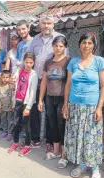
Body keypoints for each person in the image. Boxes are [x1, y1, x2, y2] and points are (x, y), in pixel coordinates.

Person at [62, 32, 104, 178]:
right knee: (78, 137)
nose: (86, 46)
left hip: (91, 107)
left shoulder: (99, 61)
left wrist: (99, 108)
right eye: (84, 42)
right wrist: (65, 105)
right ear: (79, 44)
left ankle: (94, 168)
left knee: (92, 138)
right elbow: (68, 84)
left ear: (94, 45)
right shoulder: (73, 62)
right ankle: (82, 165)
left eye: (89, 43)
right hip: (75, 106)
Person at [28, 14, 67, 149]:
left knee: (52, 113)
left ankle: (51, 142)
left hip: (53, 83)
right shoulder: (34, 40)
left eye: (49, 23)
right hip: (37, 79)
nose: (46, 26)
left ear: (53, 25)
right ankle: (36, 138)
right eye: (44, 23)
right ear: (40, 25)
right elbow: (29, 58)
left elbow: (65, 60)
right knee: (35, 109)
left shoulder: (59, 39)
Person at [38, 36, 70, 167]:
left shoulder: (68, 62)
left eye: (61, 46)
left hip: (62, 98)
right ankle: (56, 151)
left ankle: (64, 155)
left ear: (65, 47)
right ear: (53, 46)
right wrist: (40, 99)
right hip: (49, 97)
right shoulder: (48, 62)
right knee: (52, 124)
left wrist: (66, 103)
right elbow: (44, 81)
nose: (58, 48)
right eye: (56, 45)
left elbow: (69, 82)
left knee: (62, 125)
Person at [8, 52, 38, 157]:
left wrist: (28, 108)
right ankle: (15, 142)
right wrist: (12, 83)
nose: (28, 64)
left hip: (26, 104)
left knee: (26, 126)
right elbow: (14, 85)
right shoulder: (19, 71)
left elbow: (33, 92)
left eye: (31, 62)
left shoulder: (34, 74)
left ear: (34, 63)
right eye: (26, 62)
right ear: (24, 62)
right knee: (16, 123)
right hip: (18, 101)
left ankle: (27, 145)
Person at [0, 70, 14, 141]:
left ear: (10, 78)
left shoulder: (11, 86)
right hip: (2, 107)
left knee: (10, 120)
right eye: (3, 77)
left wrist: (13, 105)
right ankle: (5, 131)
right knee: (3, 119)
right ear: (1, 77)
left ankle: (10, 133)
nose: (5, 79)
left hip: (10, 107)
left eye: (7, 77)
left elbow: (13, 96)